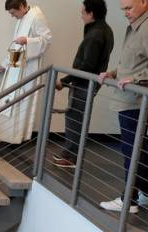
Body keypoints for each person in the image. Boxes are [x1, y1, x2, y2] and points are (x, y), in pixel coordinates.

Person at [99, 0, 148, 215]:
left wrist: (136, 79)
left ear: (144, 2)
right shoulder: (142, 23)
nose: (125, 13)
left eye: (128, 8)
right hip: (133, 98)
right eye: (123, 9)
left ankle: (129, 200)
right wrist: (114, 73)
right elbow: (136, 59)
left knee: (131, 148)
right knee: (135, 146)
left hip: (137, 100)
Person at [0, 1, 53, 146]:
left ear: (21, 7)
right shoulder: (23, 17)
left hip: (28, 68)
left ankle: (12, 138)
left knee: (19, 101)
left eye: (13, 13)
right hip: (16, 65)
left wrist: (27, 40)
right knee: (6, 97)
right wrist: (4, 64)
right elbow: (15, 45)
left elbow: (47, 40)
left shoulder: (36, 16)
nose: (13, 16)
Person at [52, 0, 115, 168]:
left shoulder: (95, 34)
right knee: (77, 117)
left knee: (75, 118)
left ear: (91, 13)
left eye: (82, 13)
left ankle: (71, 157)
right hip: (90, 83)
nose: (81, 16)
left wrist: (64, 81)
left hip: (84, 83)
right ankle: (70, 154)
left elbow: (87, 65)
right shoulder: (105, 30)